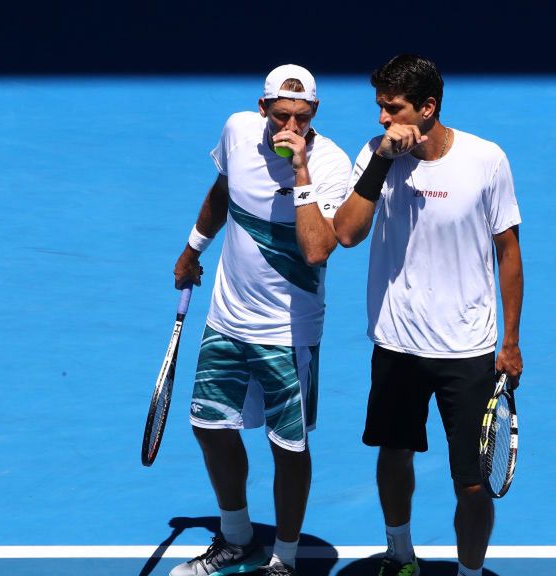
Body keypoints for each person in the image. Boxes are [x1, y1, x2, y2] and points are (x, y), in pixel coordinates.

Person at [334, 54, 525, 576]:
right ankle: (400, 556)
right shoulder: (375, 155)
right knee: (394, 455)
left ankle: (468, 572)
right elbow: (346, 234)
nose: (381, 120)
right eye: (379, 108)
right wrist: (381, 162)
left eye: (392, 109)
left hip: (467, 350)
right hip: (397, 343)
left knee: (472, 482)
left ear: (427, 108)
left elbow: (508, 251)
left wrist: (510, 341)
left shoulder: (486, 160)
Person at [169, 64, 351, 576]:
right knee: (208, 426)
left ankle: (285, 560)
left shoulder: (332, 165)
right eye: (280, 116)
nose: (290, 127)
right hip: (227, 317)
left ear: (313, 114)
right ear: (261, 108)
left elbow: (317, 251)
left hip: (287, 333)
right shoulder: (236, 131)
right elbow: (223, 190)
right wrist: (193, 247)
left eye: (301, 117)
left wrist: (300, 170)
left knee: (288, 446)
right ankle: (236, 536)